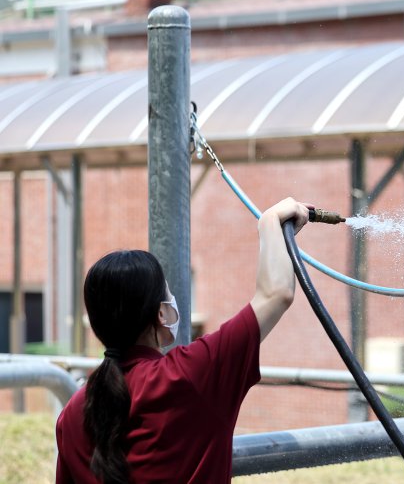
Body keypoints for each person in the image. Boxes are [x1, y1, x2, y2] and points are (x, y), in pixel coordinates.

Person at [55, 198, 311, 484]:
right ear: (161, 312)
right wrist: (270, 221)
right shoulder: (190, 373)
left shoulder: (74, 411)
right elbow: (276, 294)